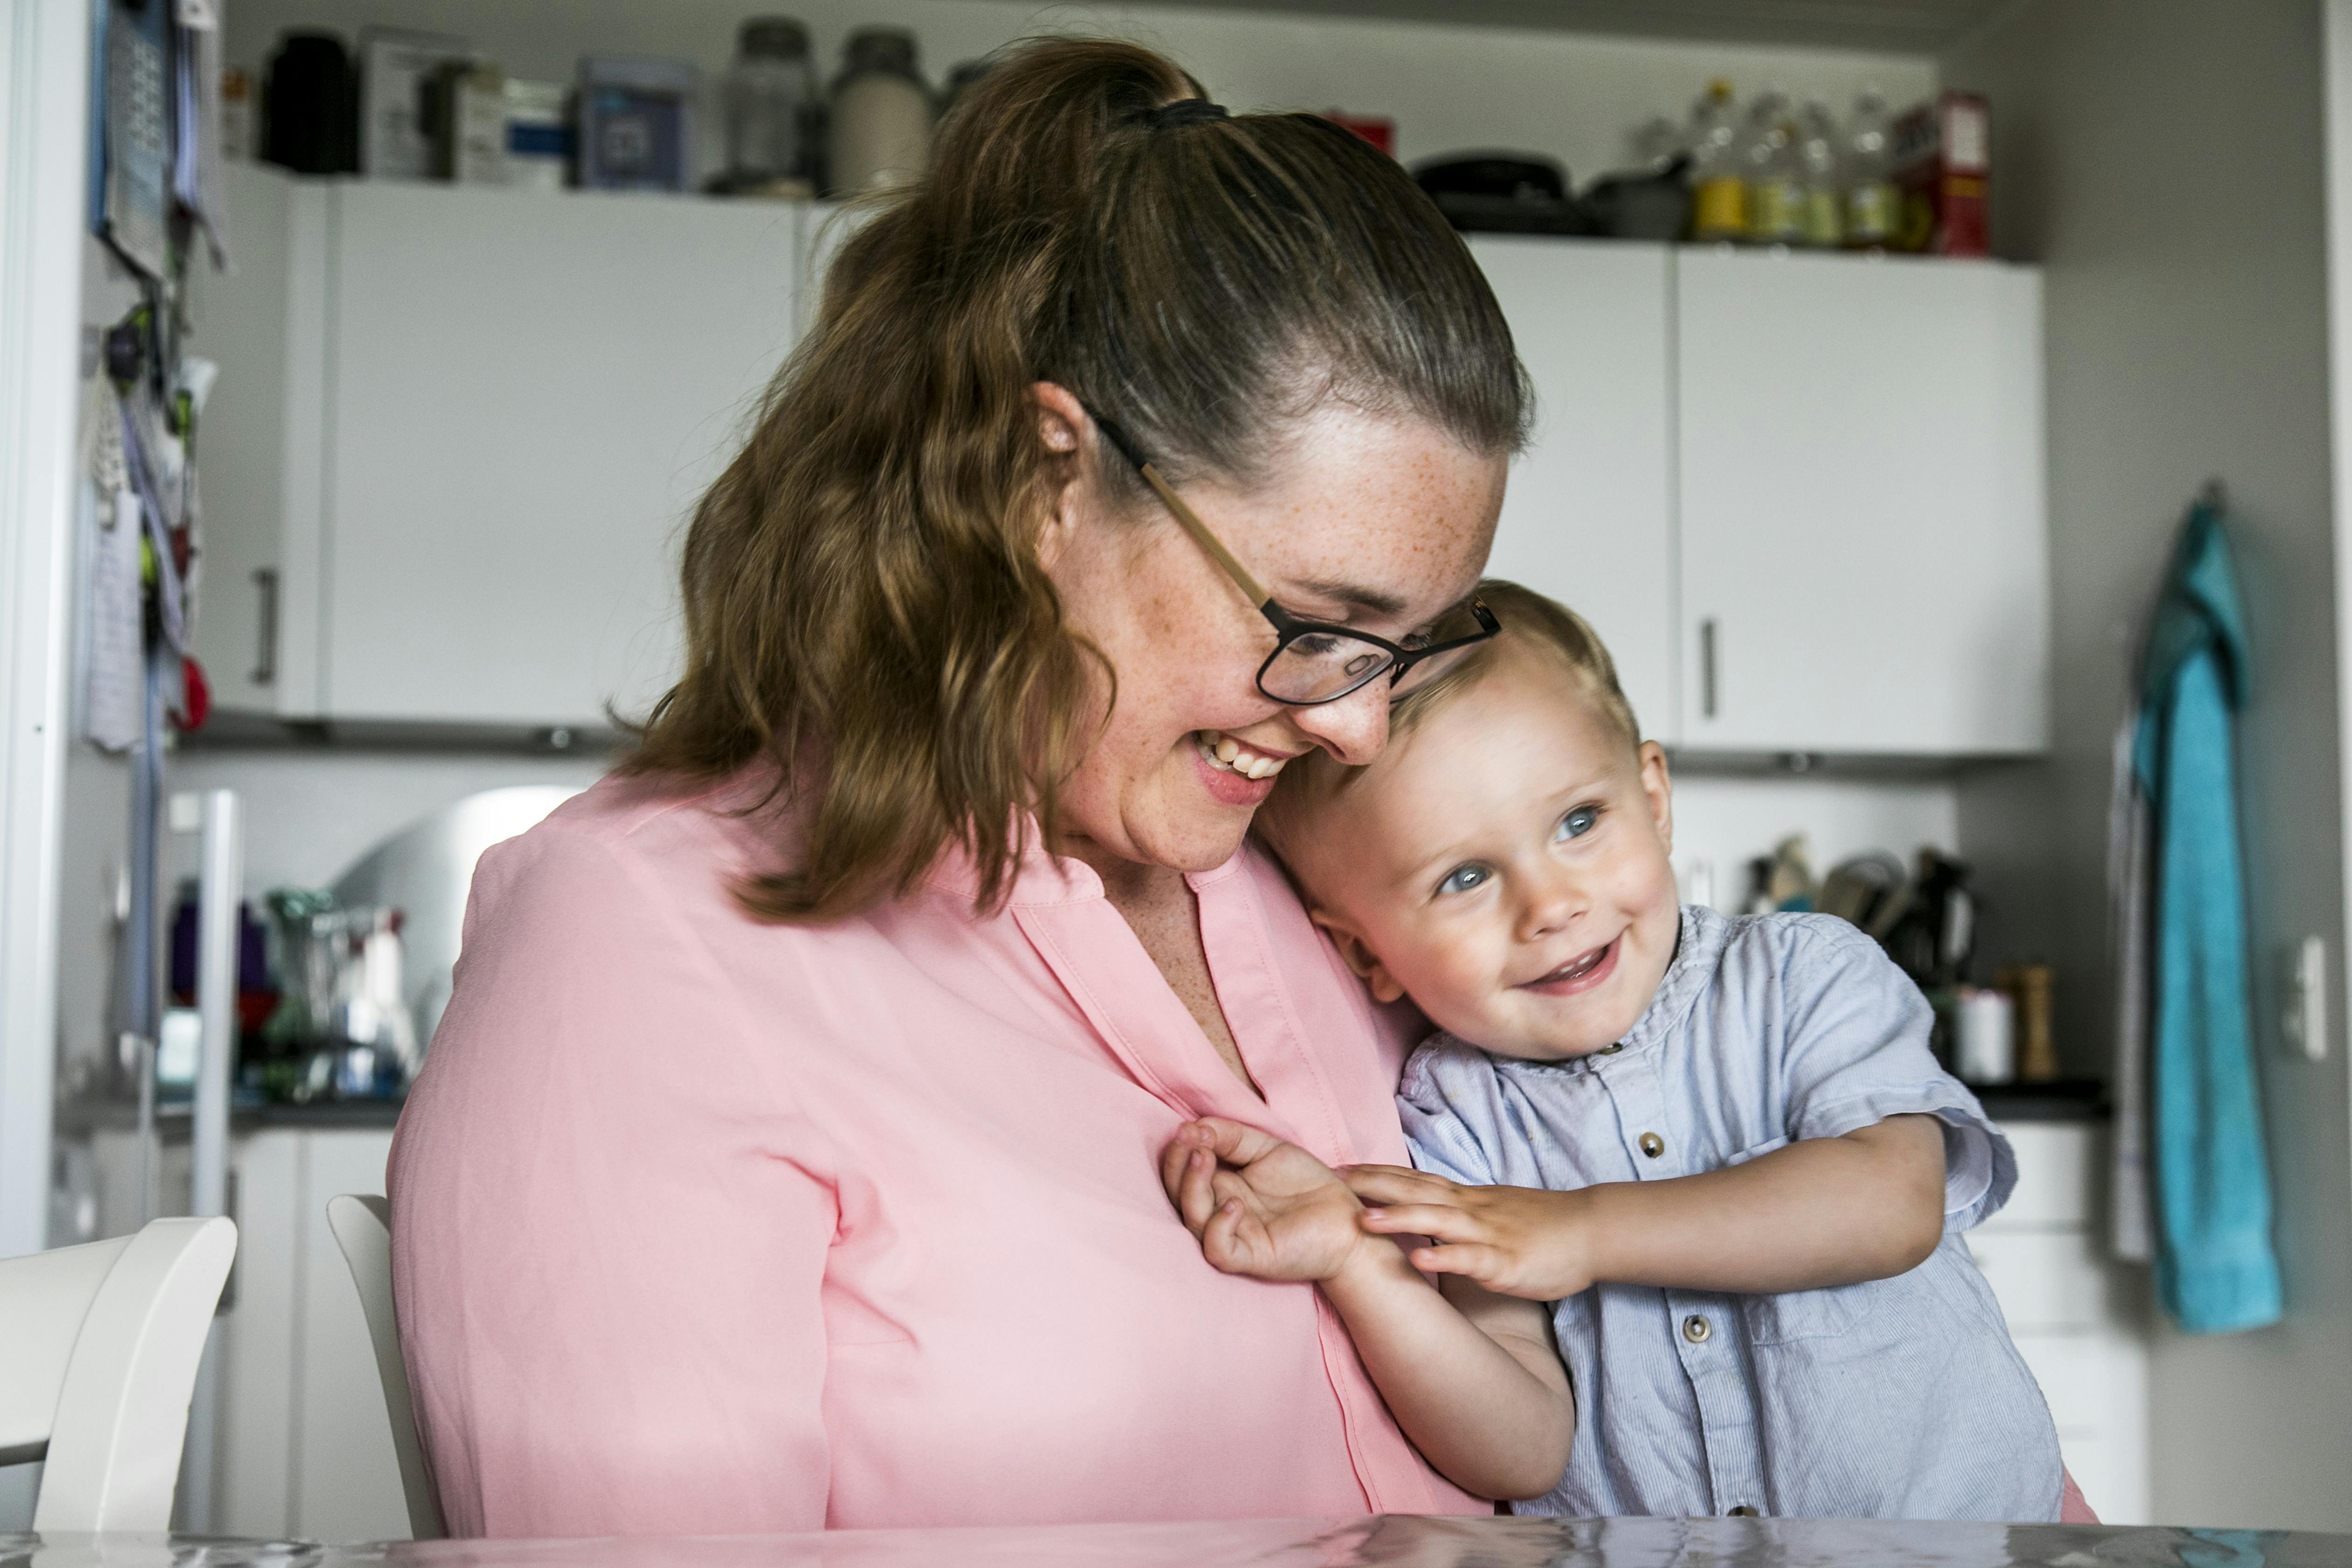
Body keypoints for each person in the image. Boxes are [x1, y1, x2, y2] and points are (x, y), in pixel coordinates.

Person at [386, 37, 1534, 1536]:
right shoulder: (645, 948)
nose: (1363, 733)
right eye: (1317, 626)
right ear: (1044, 476)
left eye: (1411, 647)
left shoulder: (1299, 903)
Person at [1165, 580, 2086, 1521]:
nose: (1552, 904)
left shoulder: (1802, 975)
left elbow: (1891, 1203)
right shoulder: (1454, 1113)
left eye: (1578, 823)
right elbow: (1521, 1450)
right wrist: (1361, 1270)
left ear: (1653, 796)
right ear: (1366, 951)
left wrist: (1580, 1231)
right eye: (1466, 877)